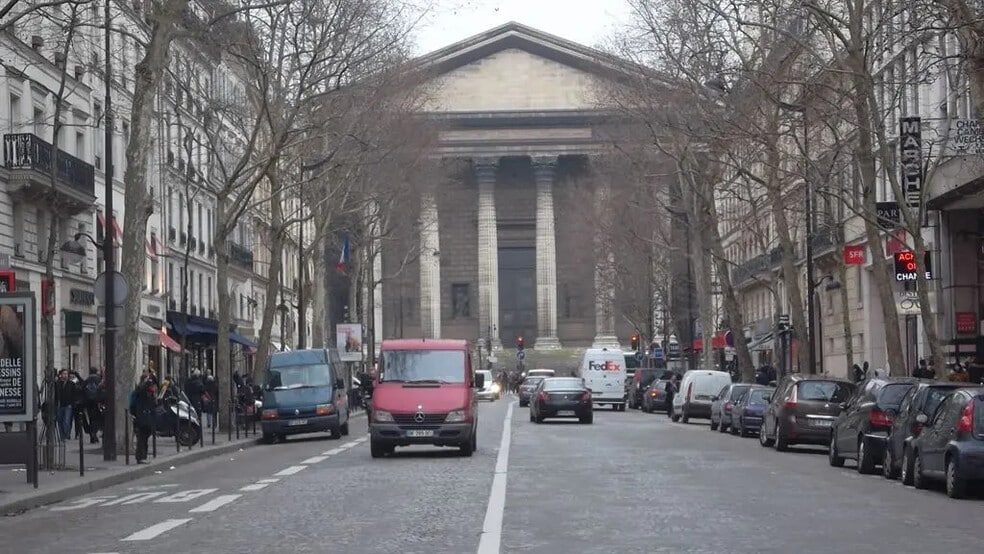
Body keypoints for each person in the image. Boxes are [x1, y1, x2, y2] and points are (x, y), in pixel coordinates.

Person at [130, 371, 158, 464]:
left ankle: (143, 456)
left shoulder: (149, 391)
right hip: (142, 416)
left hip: (147, 415)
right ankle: (140, 457)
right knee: (141, 437)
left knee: (145, 437)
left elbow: (153, 403)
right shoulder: (141, 390)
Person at [82, 367, 103, 443]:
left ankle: (92, 434)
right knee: (96, 419)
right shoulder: (99, 380)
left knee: (90, 418)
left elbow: (83, 389)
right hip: (97, 402)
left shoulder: (87, 380)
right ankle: (94, 433)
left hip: (88, 402)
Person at [54, 369, 75, 442]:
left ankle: (67, 435)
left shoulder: (71, 384)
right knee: (60, 421)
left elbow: (73, 394)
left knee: (66, 421)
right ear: (61, 375)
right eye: (64, 374)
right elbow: (56, 394)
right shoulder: (57, 383)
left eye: (66, 374)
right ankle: (62, 436)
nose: (65, 375)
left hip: (68, 405)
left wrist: (72, 404)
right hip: (60, 405)